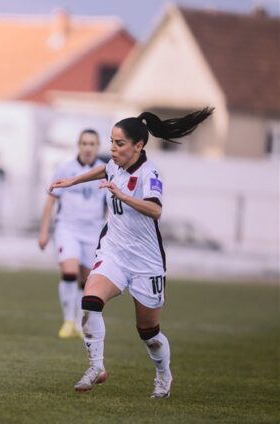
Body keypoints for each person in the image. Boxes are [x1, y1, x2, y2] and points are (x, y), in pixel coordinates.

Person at [50, 107, 213, 398]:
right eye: (111, 142)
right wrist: (73, 181)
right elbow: (104, 169)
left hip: (145, 261)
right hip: (114, 251)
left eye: (119, 143)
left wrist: (123, 195)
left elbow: (155, 209)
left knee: (148, 332)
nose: (112, 149)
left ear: (138, 146)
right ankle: (96, 367)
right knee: (90, 301)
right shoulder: (115, 164)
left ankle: (163, 375)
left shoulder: (150, 173)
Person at [38, 130, 106, 338]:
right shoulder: (65, 168)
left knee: (87, 281)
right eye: (84, 143)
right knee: (69, 272)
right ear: (78, 145)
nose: (88, 148)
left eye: (92, 143)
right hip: (67, 228)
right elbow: (51, 200)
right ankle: (68, 320)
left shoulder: (105, 170)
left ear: (98, 146)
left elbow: (109, 206)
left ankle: (78, 323)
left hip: (92, 231)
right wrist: (44, 231)